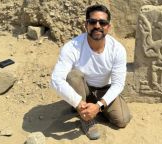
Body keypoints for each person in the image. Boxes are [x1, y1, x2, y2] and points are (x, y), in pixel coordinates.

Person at [51, 4, 131, 140]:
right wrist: (78, 102)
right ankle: (84, 115)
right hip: (83, 87)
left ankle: (92, 108)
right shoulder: (72, 47)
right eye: (92, 22)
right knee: (73, 76)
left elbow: (118, 84)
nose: (97, 26)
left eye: (103, 22)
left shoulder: (117, 49)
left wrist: (99, 106)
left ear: (108, 27)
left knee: (122, 120)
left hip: (104, 89)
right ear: (86, 25)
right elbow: (56, 79)